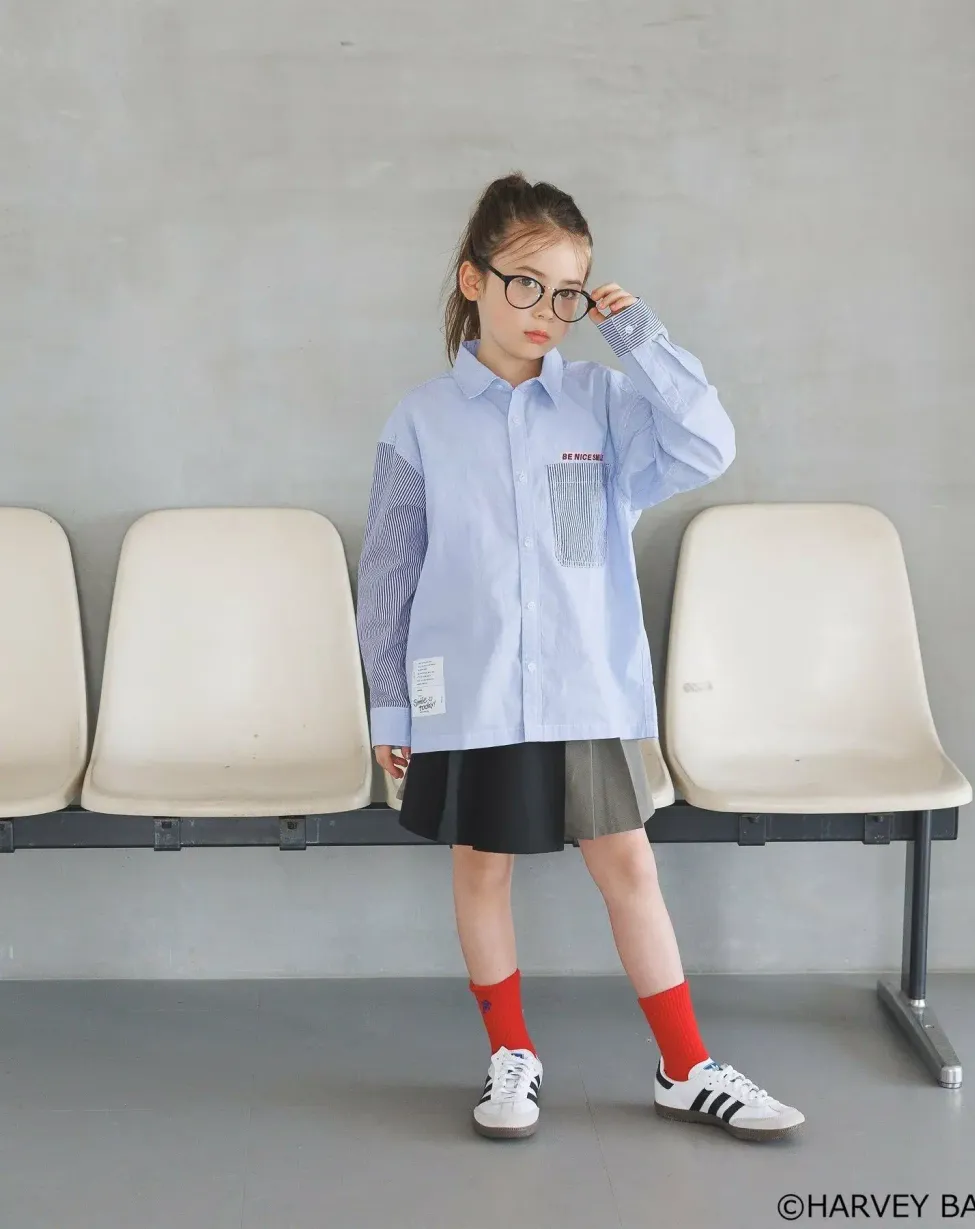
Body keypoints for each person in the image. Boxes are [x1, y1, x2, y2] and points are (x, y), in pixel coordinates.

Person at [356, 172, 804, 1143]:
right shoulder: (421, 420)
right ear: (473, 279)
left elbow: (707, 445)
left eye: (566, 293)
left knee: (629, 865)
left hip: (581, 686)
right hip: (471, 690)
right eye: (525, 283)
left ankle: (685, 1065)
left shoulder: (604, 402)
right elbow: (388, 574)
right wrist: (393, 707)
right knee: (480, 869)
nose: (545, 311)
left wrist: (637, 334)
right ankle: (510, 1054)